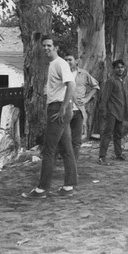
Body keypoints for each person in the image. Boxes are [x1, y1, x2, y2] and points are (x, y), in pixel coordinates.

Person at [23, 36, 77, 198]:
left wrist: (64, 108)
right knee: (66, 149)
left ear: (56, 47)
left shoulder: (60, 63)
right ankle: (69, 186)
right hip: (57, 107)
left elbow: (71, 85)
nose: (46, 48)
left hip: (57, 108)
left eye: (49, 45)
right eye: (44, 46)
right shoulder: (52, 64)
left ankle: (42, 189)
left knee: (49, 150)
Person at [64, 52, 100, 160]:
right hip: (65, 110)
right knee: (63, 137)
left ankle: (73, 162)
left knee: (76, 139)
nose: (67, 62)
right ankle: (64, 158)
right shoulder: (61, 74)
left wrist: (87, 98)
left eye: (70, 59)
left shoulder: (83, 74)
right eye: (65, 60)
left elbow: (95, 86)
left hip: (79, 110)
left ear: (76, 61)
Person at [98, 59, 128, 164]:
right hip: (111, 112)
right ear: (114, 69)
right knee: (107, 134)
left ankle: (118, 154)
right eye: (118, 67)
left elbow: (124, 98)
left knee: (118, 134)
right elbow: (104, 97)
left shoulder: (122, 81)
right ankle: (102, 157)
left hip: (120, 112)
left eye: (122, 67)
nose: (120, 69)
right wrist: (103, 111)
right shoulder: (111, 81)